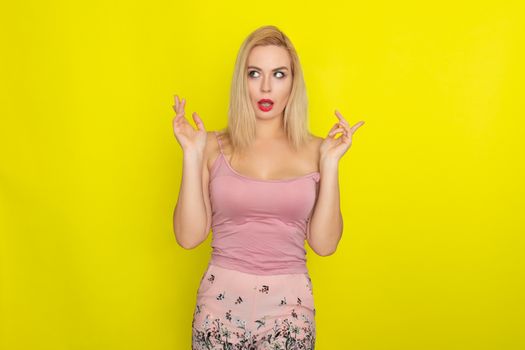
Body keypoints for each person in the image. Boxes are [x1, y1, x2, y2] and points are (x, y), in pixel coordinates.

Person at [172, 25, 364, 350]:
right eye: (254, 73)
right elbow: (188, 237)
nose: (265, 87)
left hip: (289, 314)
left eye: (278, 74)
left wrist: (330, 165)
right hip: (218, 312)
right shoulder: (210, 145)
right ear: (241, 81)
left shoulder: (320, 150)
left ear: (293, 82)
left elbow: (324, 244)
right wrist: (191, 155)